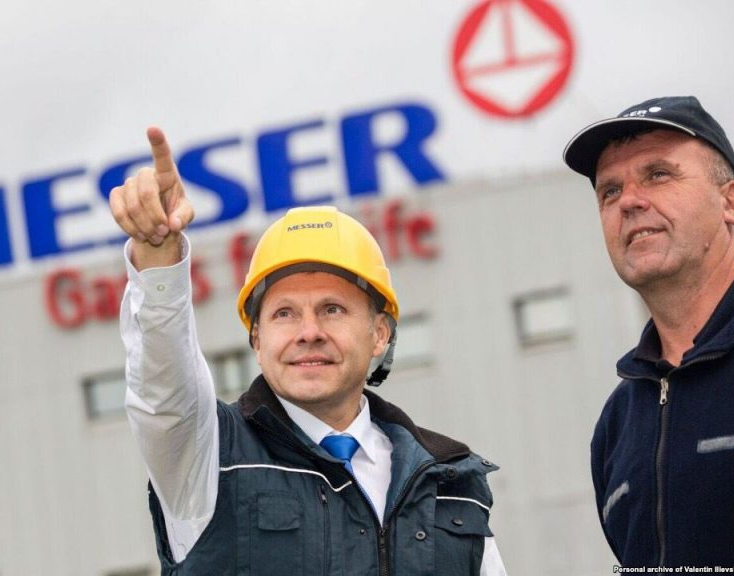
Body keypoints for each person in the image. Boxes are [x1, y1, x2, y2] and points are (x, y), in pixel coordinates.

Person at [110, 126, 508, 575]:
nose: (309, 332)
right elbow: (163, 386)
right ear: (257, 339)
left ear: (379, 334)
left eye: (332, 309)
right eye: (284, 314)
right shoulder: (206, 455)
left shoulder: (451, 483)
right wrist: (158, 254)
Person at [563, 96, 734, 567]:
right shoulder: (616, 426)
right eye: (609, 191)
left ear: (730, 202)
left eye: (658, 174)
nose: (629, 201)